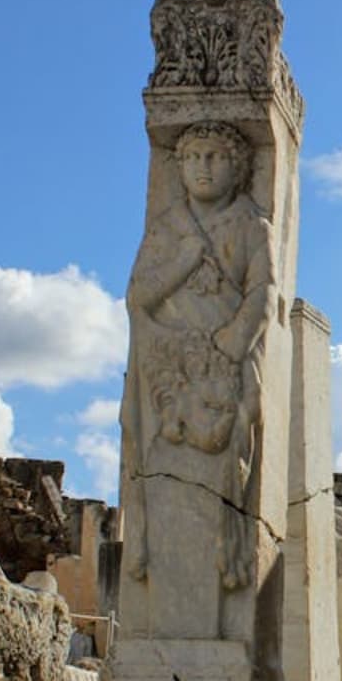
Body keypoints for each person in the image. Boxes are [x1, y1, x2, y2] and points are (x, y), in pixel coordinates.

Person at [124, 120, 279, 597]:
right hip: (167, 364)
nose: (203, 168)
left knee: (232, 456)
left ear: (238, 166)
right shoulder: (167, 229)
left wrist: (230, 346)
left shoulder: (253, 224)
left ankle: (229, 553)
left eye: (215, 158)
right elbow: (138, 298)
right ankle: (144, 545)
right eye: (193, 158)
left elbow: (263, 292)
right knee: (137, 433)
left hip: (224, 364)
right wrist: (184, 261)